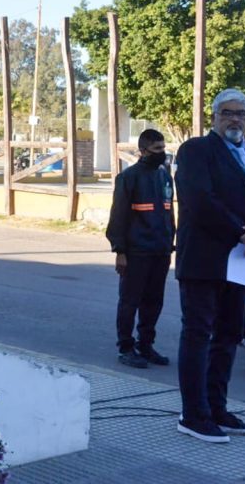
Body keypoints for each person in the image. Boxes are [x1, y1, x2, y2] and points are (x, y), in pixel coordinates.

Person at [174, 88, 245, 443]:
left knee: (228, 334)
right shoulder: (196, 151)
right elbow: (199, 201)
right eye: (228, 113)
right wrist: (242, 233)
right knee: (198, 333)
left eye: (241, 114)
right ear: (215, 116)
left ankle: (217, 406)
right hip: (205, 259)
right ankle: (194, 414)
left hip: (243, 263)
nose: (235, 119)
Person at [105, 129, 176, 369]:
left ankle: (146, 345)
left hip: (161, 250)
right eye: (157, 149)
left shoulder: (165, 176)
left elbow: (169, 212)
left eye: (163, 148)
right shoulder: (129, 177)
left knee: (154, 301)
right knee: (129, 301)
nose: (162, 153)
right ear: (143, 151)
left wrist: (170, 241)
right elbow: (119, 216)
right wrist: (120, 251)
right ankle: (126, 347)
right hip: (136, 252)